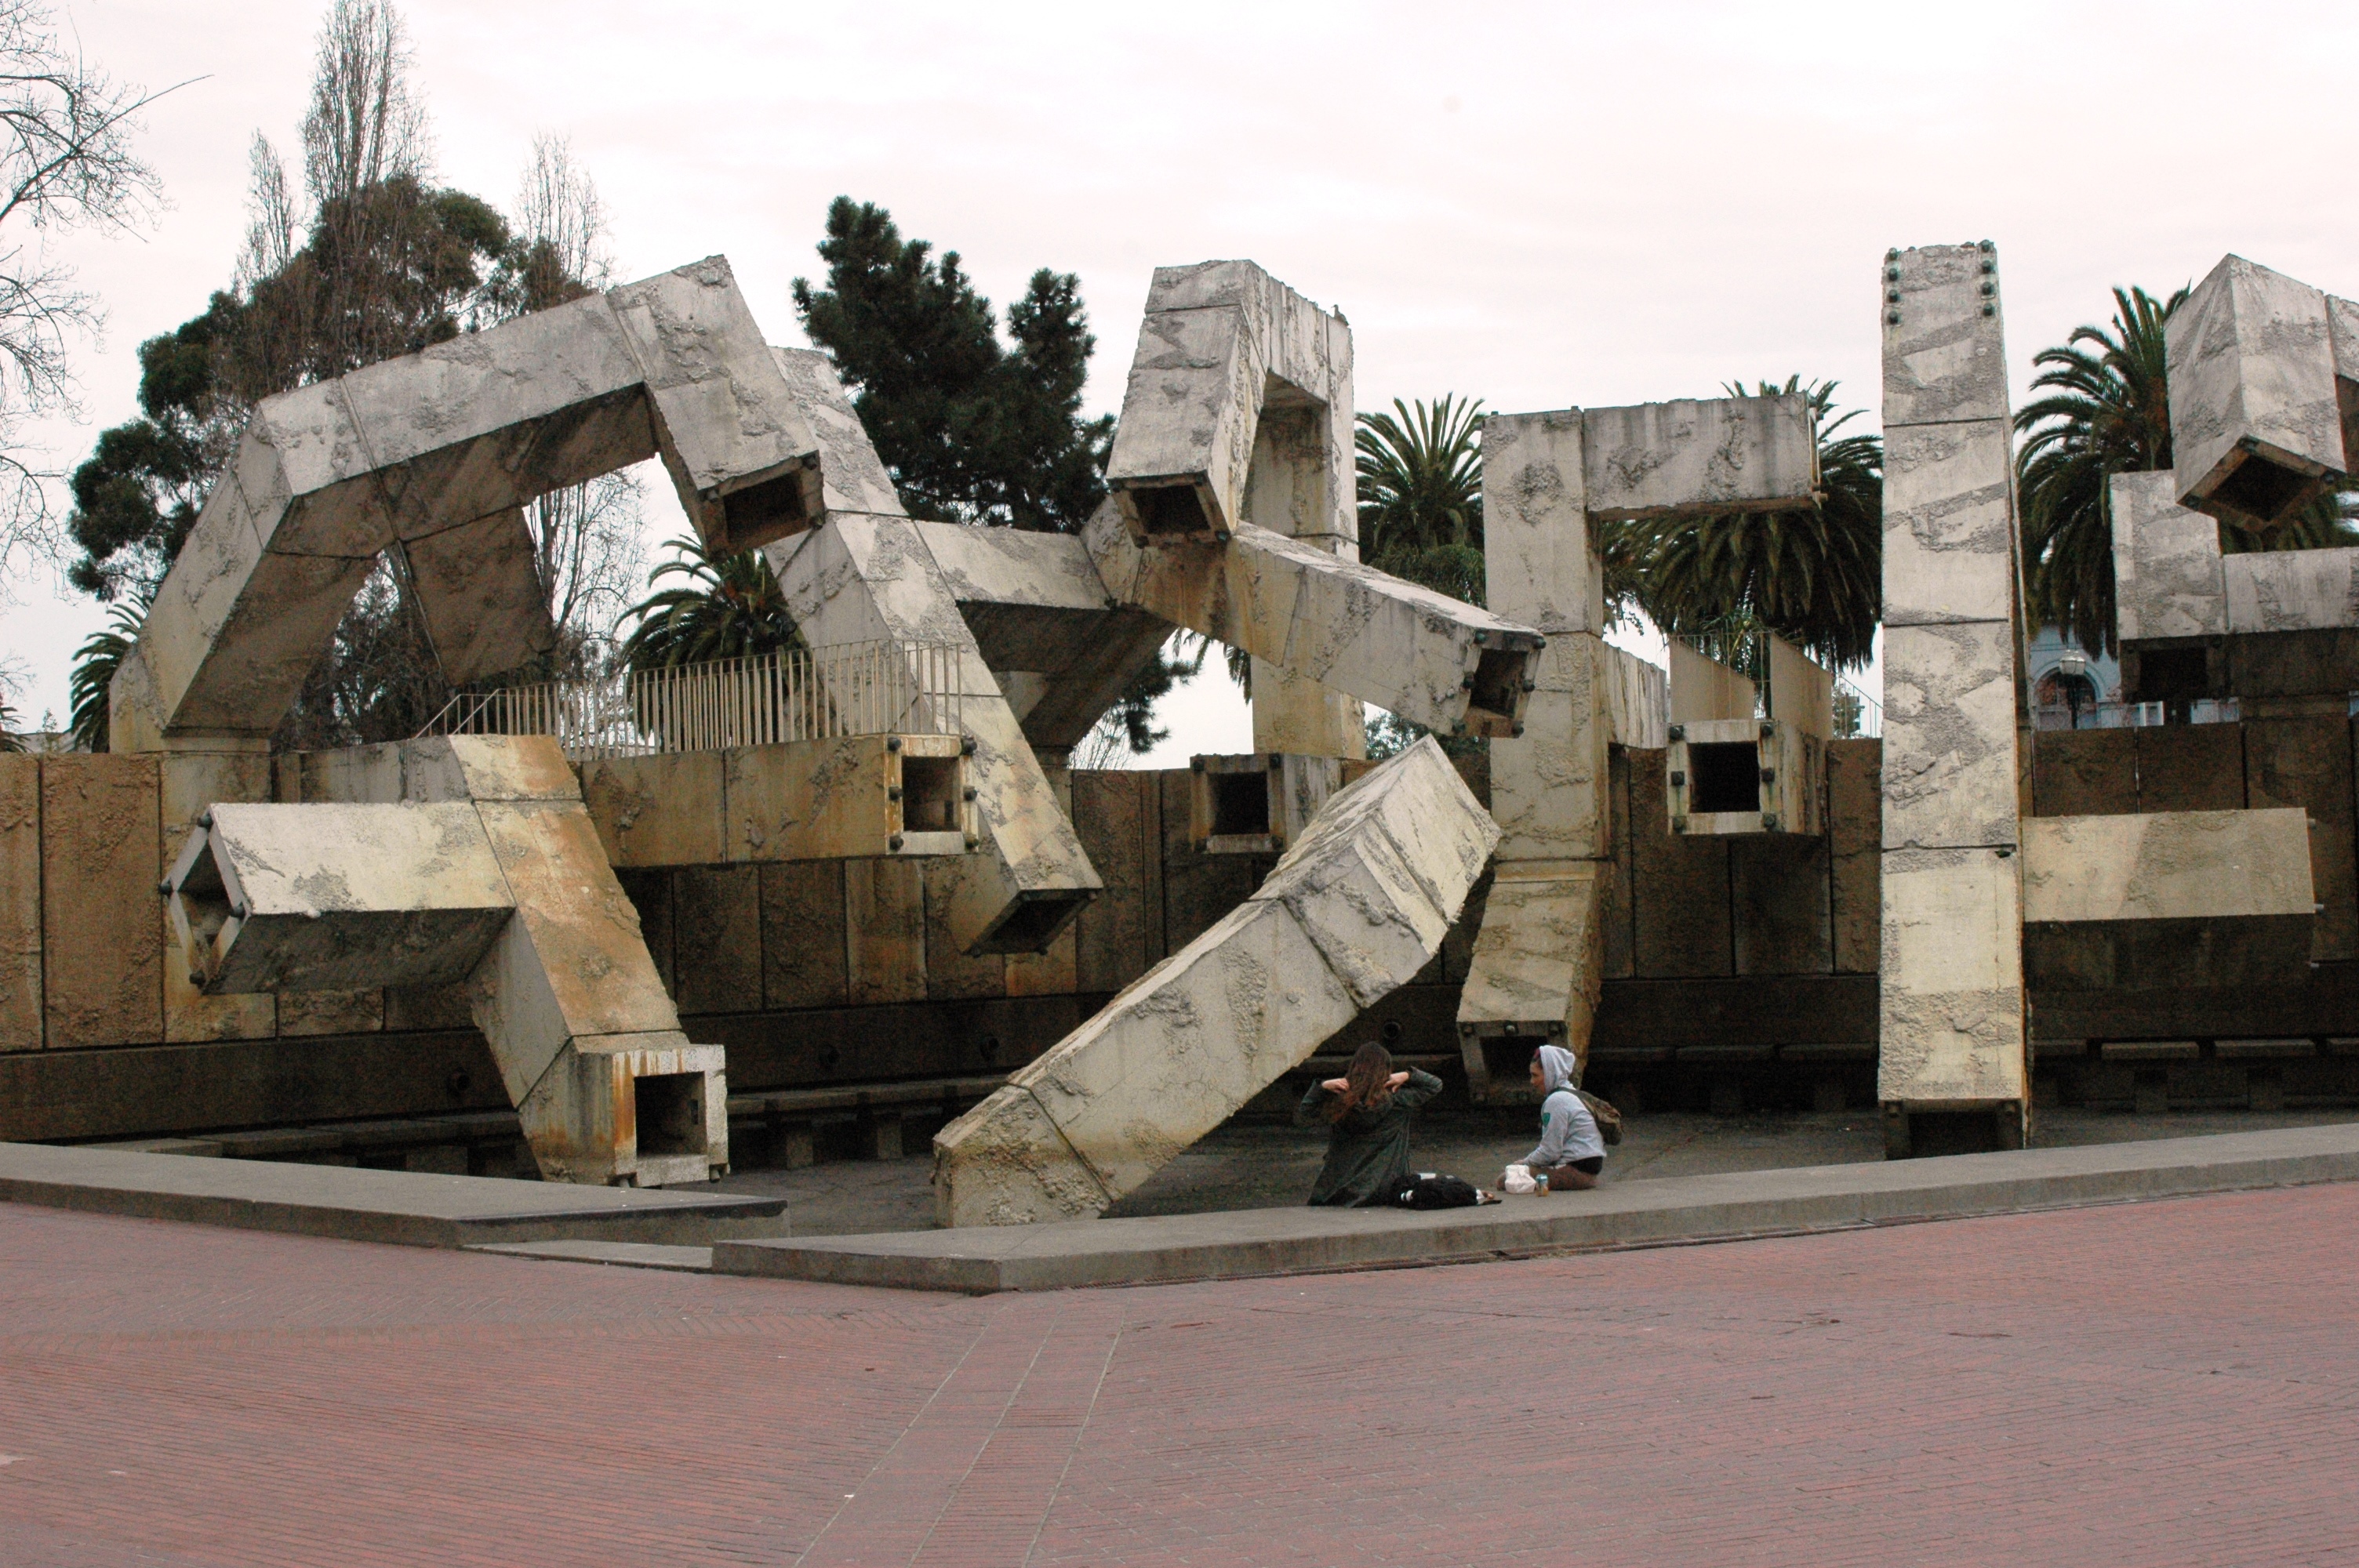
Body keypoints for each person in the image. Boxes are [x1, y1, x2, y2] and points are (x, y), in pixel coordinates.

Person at [1296, 1042, 1446, 1207]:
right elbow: (1435, 1085)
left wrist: (1322, 1087)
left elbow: (1305, 1114)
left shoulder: (1339, 1102)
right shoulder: (1399, 1101)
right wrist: (1407, 1075)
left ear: (1354, 1068)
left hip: (1337, 1193)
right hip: (1385, 1192)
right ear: (1387, 1070)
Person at [1512, 1044, 1605, 1191]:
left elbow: (1550, 1151)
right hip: (1588, 1170)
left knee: (1508, 1177)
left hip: (1575, 1171)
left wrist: (1524, 1163)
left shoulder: (1556, 1101)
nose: (1532, 1082)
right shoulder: (1571, 1093)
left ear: (1550, 1074)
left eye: (1535, 1075)